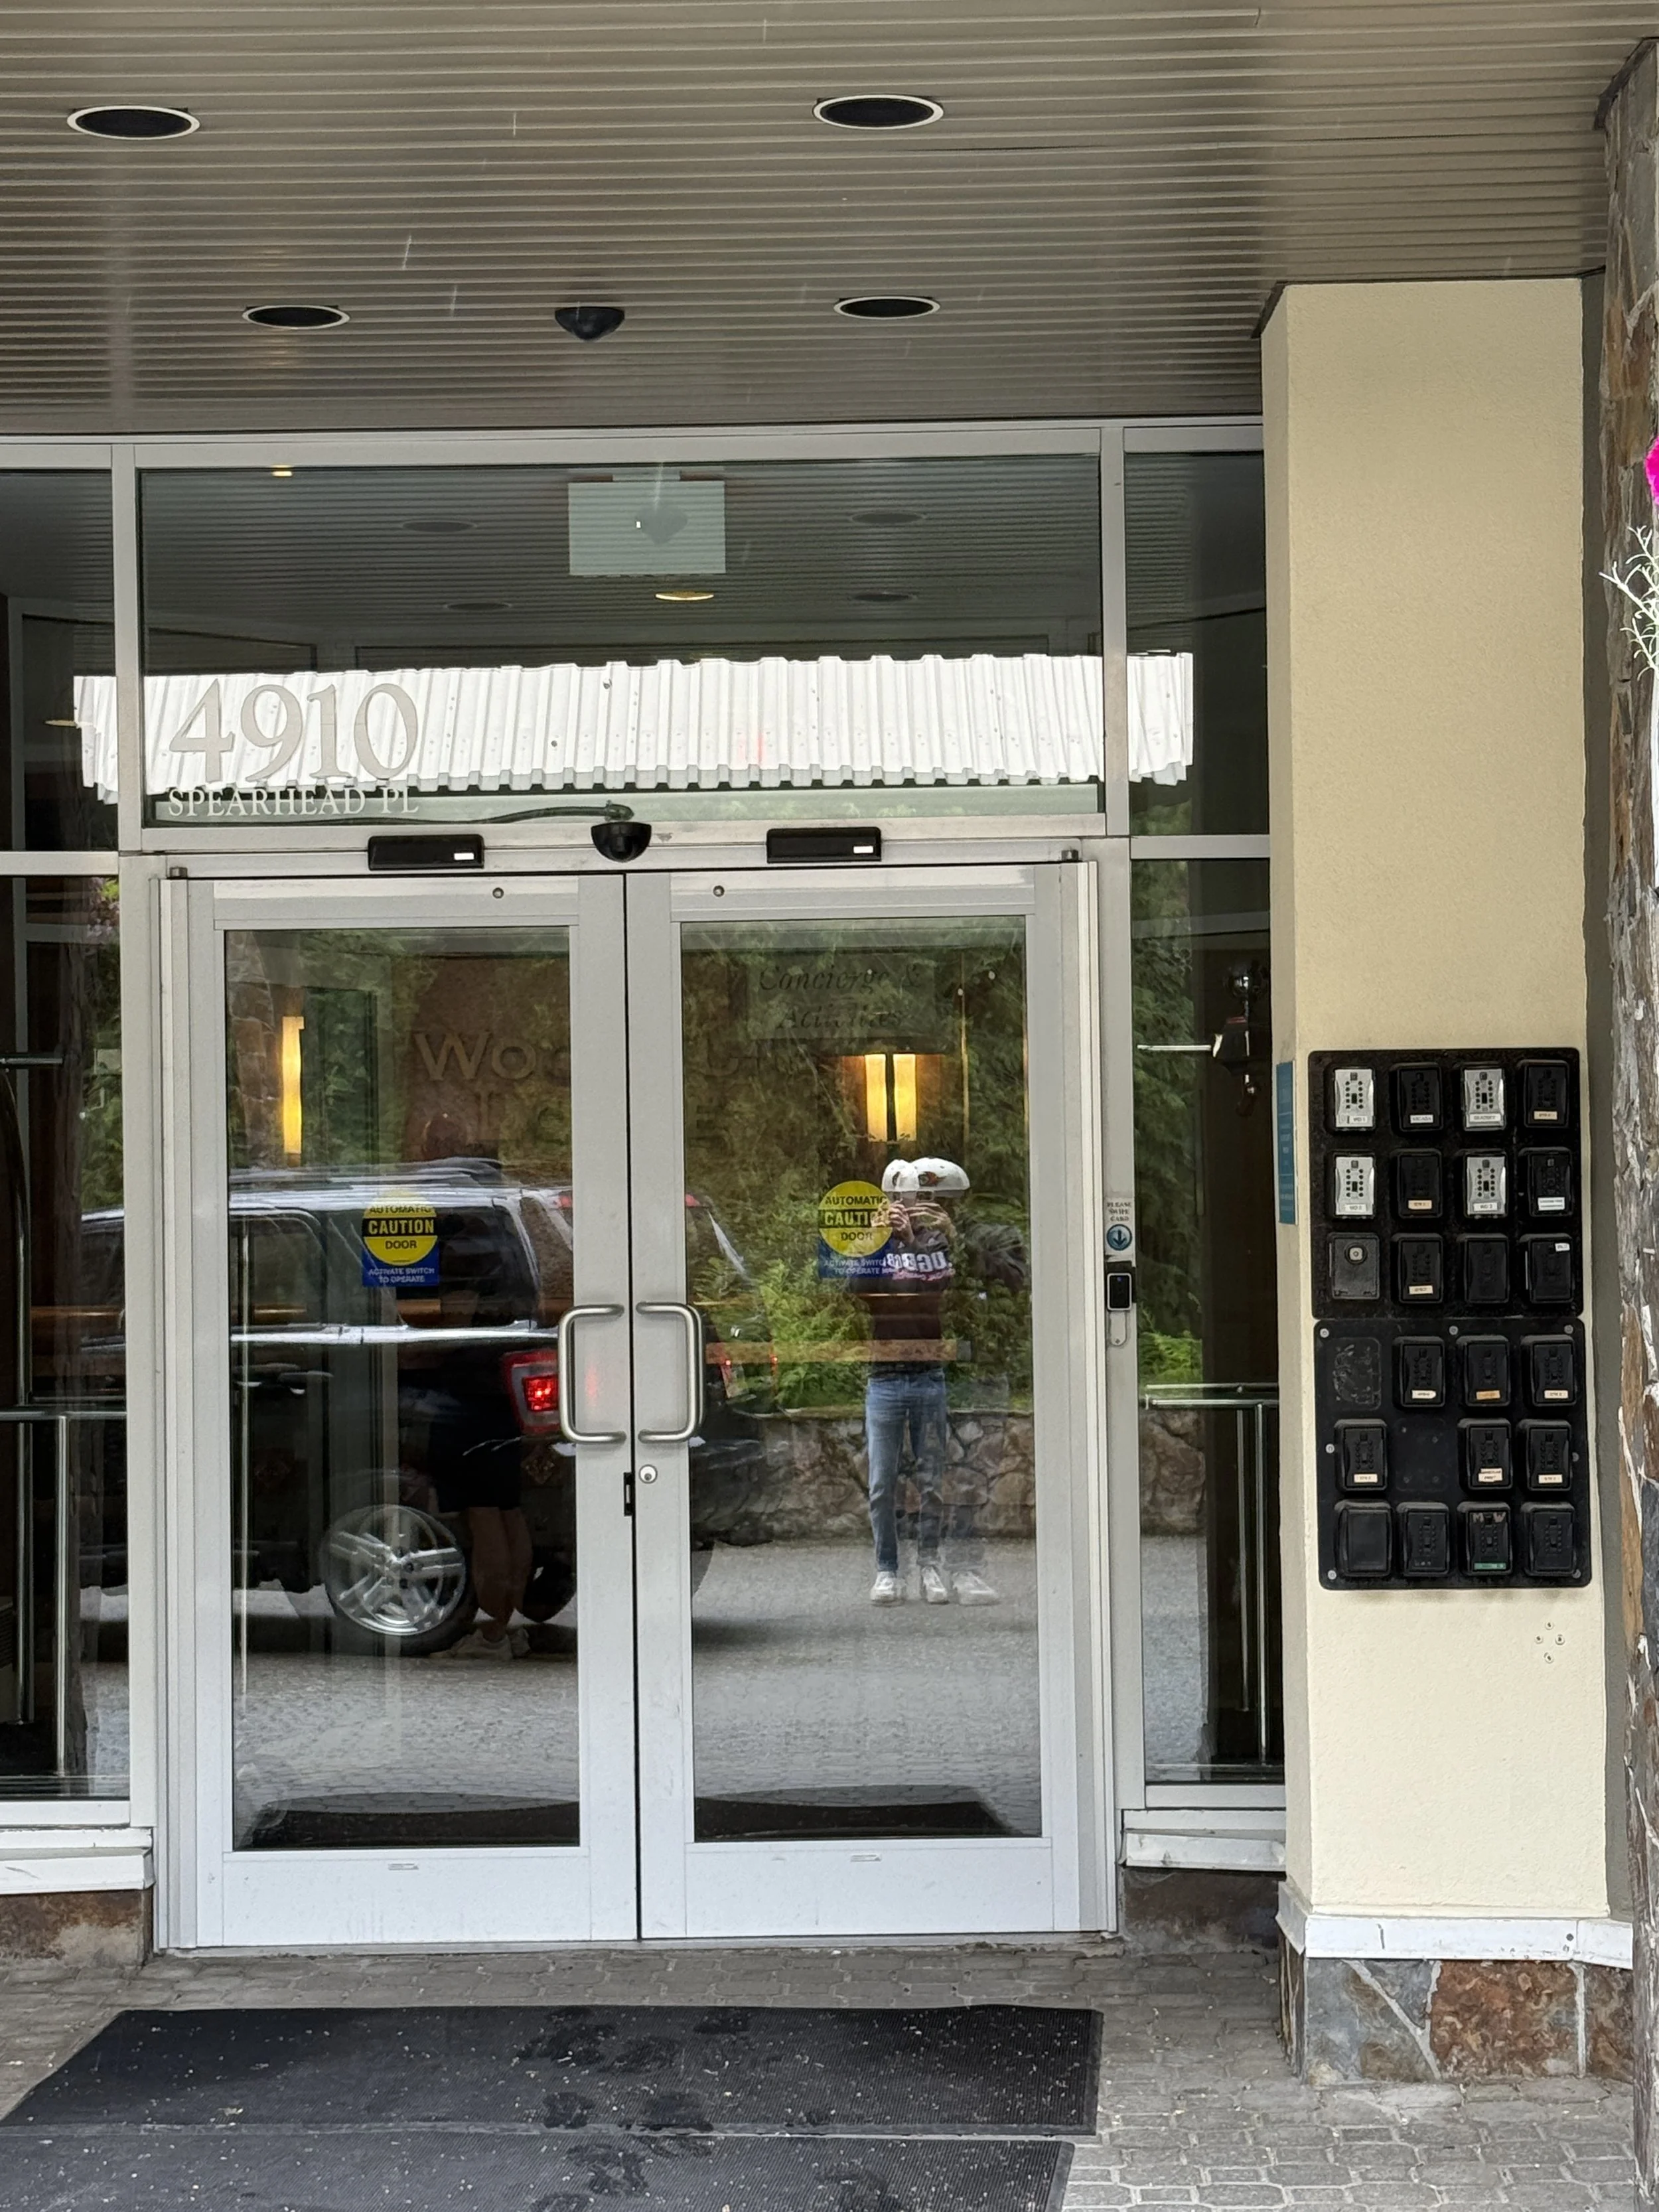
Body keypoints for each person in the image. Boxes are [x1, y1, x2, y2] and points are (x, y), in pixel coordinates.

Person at [861, 1157, 1027, 1607]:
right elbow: (854, 1288)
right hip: (885, 1375)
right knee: (882, 1481)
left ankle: (930, 1564)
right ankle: (888, 1569)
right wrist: (879, 1238)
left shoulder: (937, 1241)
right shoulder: (873, 1243)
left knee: (933, 1478)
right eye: (895, 1199)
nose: (904, 1206)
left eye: (910, 1198)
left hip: (930, 1373)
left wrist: (917, 1238)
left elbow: (940, 1286)